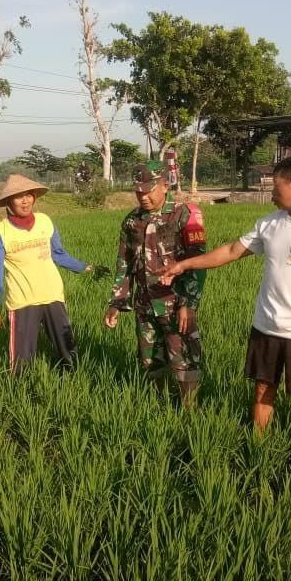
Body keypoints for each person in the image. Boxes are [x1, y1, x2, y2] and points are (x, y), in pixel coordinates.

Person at [161, 154, 291, 446]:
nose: (270, 193)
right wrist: (184, 265)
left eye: (275, 185)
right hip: (266, 327)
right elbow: (231, 251)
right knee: (262, 390)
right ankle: (258, 449)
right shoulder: (270, 224)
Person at [104, 160, 206, 404]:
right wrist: (117, 302)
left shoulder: (185, 214)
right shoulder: (132, 221)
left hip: (176, 305)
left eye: (148, 190)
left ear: (164, 186)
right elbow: (124, 263)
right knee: (150, 360)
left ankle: (189, 411)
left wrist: (189, 303)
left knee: (184, 361)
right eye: (138, 191)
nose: (142, 196)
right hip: (145, 305)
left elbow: (198, 263)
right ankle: (159, 404)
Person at [0, 174, 105, 371]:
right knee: (21, 361)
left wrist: (84, 267)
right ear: (9, 201)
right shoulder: (0, 231)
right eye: (18, 196)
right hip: (22, 302)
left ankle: (72, 385)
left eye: (28, 195)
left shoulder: (45, 222)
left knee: (68, 351)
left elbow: (58, 254)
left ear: (34, 197)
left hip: (53, 296)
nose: (25, 201)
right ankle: (19, 396)